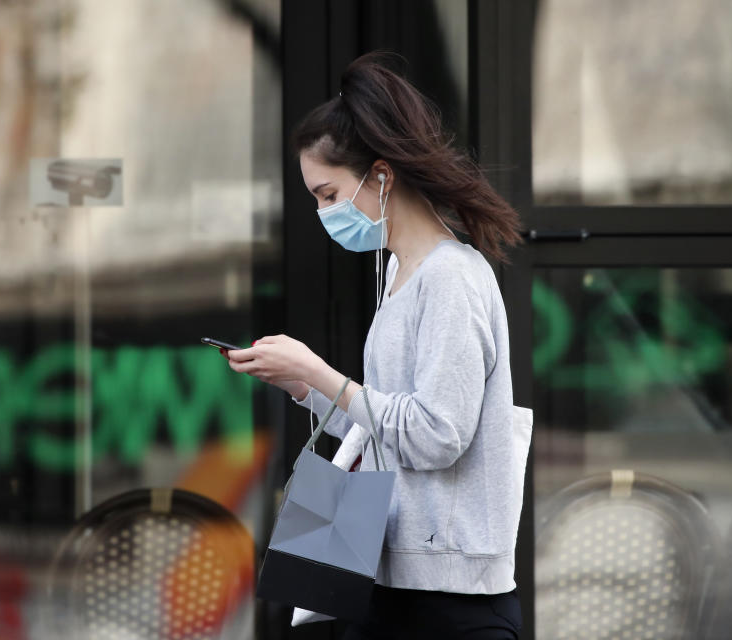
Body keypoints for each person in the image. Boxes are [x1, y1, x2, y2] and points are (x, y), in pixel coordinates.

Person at [223, 52, 525, 639]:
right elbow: (385, 421)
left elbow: (438, 435)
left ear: (381, 176)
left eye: (328, 192)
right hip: (390, 577)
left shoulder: (450, 278)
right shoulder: (396, 272)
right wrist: (305, 386)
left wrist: (323, 374)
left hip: (452, 599)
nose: (322, 212)